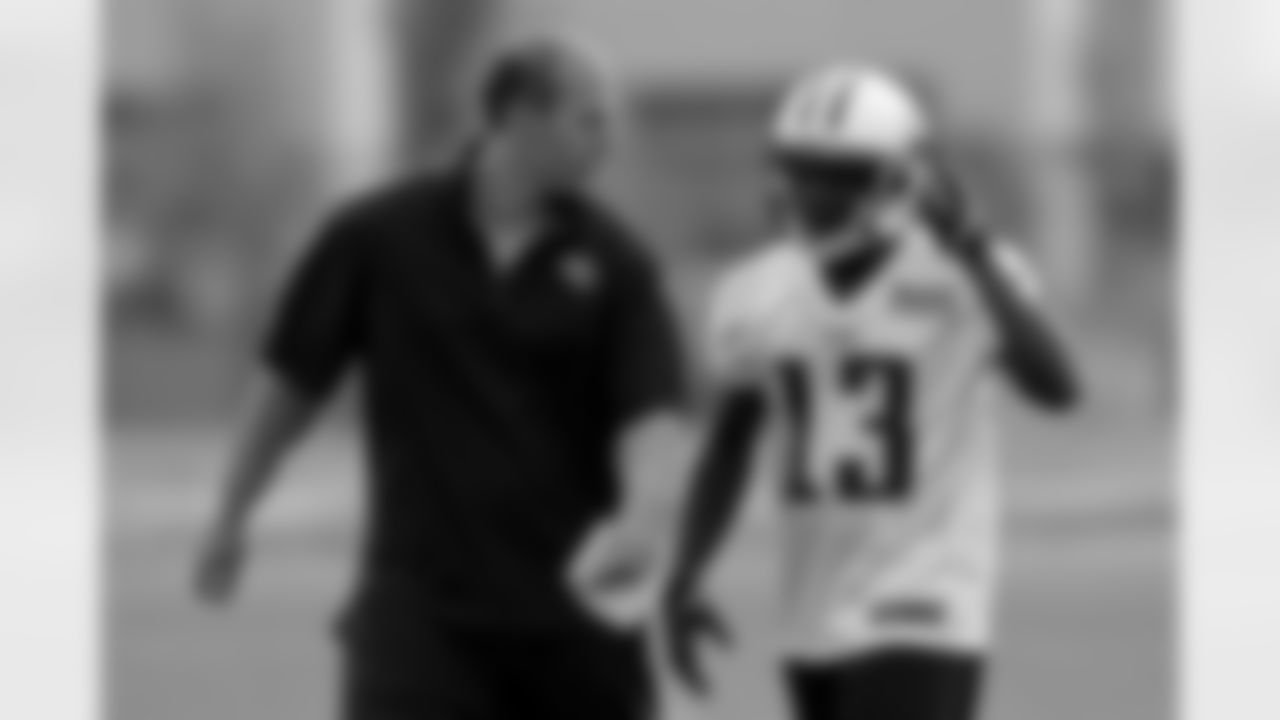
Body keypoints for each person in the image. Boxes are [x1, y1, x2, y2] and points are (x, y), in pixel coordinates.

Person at [193, 37, 689, 720]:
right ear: (520, 118)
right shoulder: (376, 237)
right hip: (418, 620)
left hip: (575, 621)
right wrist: (231, 513)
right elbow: (290, 384)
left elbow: (652, 415)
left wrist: (643, 517)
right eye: (590, 120)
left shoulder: (619, 265)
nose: (610, 141)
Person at [660, 63, 1080, 720]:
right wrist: (685, 573)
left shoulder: (963, 276)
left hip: (925, 604)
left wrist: (973, 251)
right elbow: (729, 445)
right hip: (812, 612)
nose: (812, 192)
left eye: (837, 174)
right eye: (800, 169)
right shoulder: (756, 292)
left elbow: (1059, 388)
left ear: (901, 180)